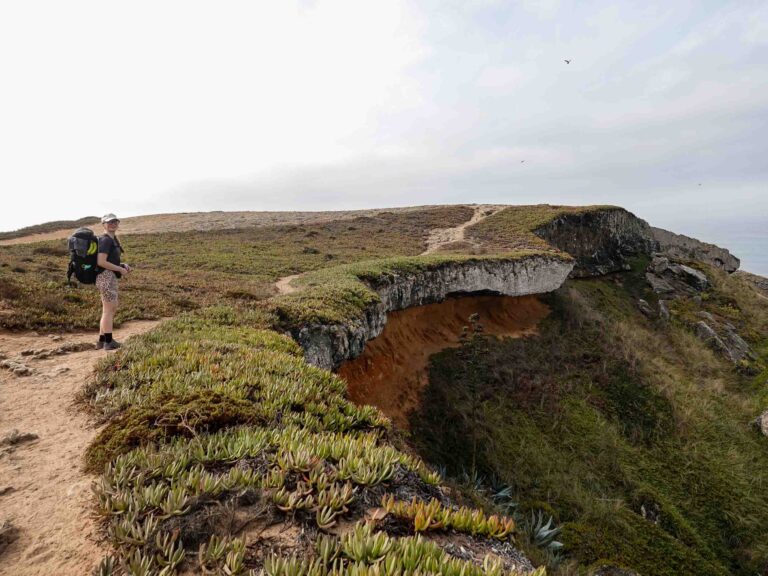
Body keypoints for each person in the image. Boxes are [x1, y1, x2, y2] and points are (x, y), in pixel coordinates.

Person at [95, 213, 131, 350]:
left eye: (115, 222)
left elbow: (109, 260)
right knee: (109, 310)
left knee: (109, 309)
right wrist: (120, 269)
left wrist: (122, 265)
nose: (113, 224)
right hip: (105, 277)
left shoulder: (112, 239)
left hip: (108, 276)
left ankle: (101, 340)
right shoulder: (105, 240)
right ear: (103, 225)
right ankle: (108, 342)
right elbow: (101, 262)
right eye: (109, 222)